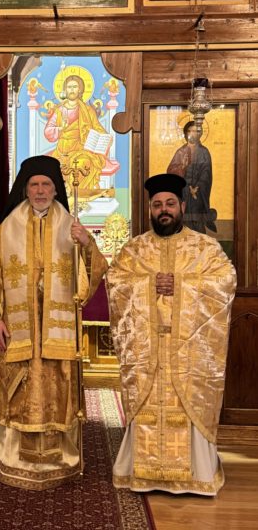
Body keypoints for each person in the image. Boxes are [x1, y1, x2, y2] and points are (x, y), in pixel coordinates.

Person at [0, 155, 108, 490]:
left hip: (57, 331)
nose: (39, 191)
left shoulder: (71, 225)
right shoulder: (8, 227)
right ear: (25, 189)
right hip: (18, 328)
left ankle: (61, 459)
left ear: (55, 189)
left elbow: (94, 274)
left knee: (58, 393)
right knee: (19, 391)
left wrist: (87, 244)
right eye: (34, 185)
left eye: (46, 185)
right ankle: (13, 459)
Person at [107, 173, 236, 495]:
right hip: (147, 348)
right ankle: (142, 473)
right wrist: (148, 284)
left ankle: (198, 475)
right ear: (150, 209)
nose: (163, 210)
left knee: (188, 401)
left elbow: (225, 282)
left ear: (182, 207)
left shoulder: (205, 248)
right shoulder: (134, 249)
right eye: (157, 205)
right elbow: (116, 282)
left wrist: (181, 284)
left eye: (169, 204)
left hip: (188, 349)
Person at [44, 75, 113, 192]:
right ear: (65, 90)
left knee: (81, 165)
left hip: (82, 150)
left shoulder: (88, 110)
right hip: (62, 151)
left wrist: (106, 138)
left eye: (75, 86)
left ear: (80, 89)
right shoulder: (59, 111)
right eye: (69, 87)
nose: (72, 90)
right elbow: (48, 131)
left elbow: (98, 128)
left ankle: (78, 196)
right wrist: (61, 129)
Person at [167, 120, 217, 233]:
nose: (192, 134)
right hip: (183, 191)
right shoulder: (181, 152)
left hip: (197, 194)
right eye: (189, 131)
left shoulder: (204, 152)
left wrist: (197, 187)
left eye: (195, 131)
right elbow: (170, 171)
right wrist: (182, 167)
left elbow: (206, 173)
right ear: (185, 133)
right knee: (183, 220)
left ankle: (200, 242)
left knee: (197, 222)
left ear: (200, 133)